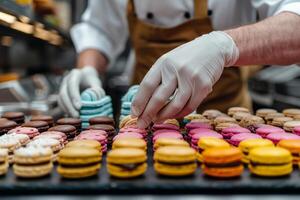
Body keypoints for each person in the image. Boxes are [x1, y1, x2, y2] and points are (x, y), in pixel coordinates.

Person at [58, 0, 300, 128]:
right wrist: (87, 67)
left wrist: (225, 45)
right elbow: (100, 30)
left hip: (222, 118)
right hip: (142, 119)